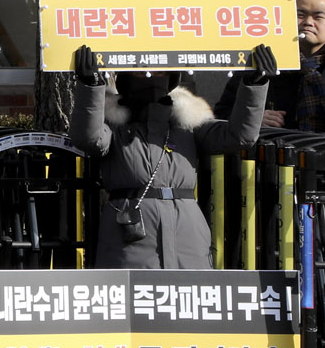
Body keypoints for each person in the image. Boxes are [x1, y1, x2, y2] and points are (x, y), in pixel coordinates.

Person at [72, 43, 270, 268]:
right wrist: (90, 87)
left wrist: (255, 84)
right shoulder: (113, 122)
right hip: (128, 235)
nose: (150, 76)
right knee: (131, 300)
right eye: (140, 70)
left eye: (160, 70)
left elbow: (240, 136)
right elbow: (88, 138)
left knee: (190, 299)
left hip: (187, 235)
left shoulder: (188, 121)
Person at [213, 0, 325, 132]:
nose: (308, 22)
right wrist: (253, 118)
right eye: (300, 15)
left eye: (318, 16)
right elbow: (220, 116)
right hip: (279, 151)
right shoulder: (262, 62)